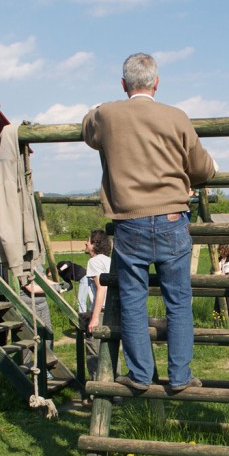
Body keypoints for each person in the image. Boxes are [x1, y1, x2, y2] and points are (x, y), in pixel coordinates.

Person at [82, 52, 217, 392]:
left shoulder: (108, 114)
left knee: (132, 301)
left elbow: (87, 130)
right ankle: (181, 376)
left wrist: (96, 108)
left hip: (130, 222)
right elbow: (202, 169)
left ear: (123, 84)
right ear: (157, 82)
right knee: (178, 302)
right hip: (172, 217)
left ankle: (140, 375)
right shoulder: (176, 116)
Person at [83, 230, 113, 376]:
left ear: (94, 244)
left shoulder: (94, 262)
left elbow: (101, 288)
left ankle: (97, 386)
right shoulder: (109, 260)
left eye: (88, 240)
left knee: (95, 351)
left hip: (101, 312)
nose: (85, 243)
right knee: (110, 350)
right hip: (112, 311)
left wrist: (94, 317)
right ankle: (114, 385)